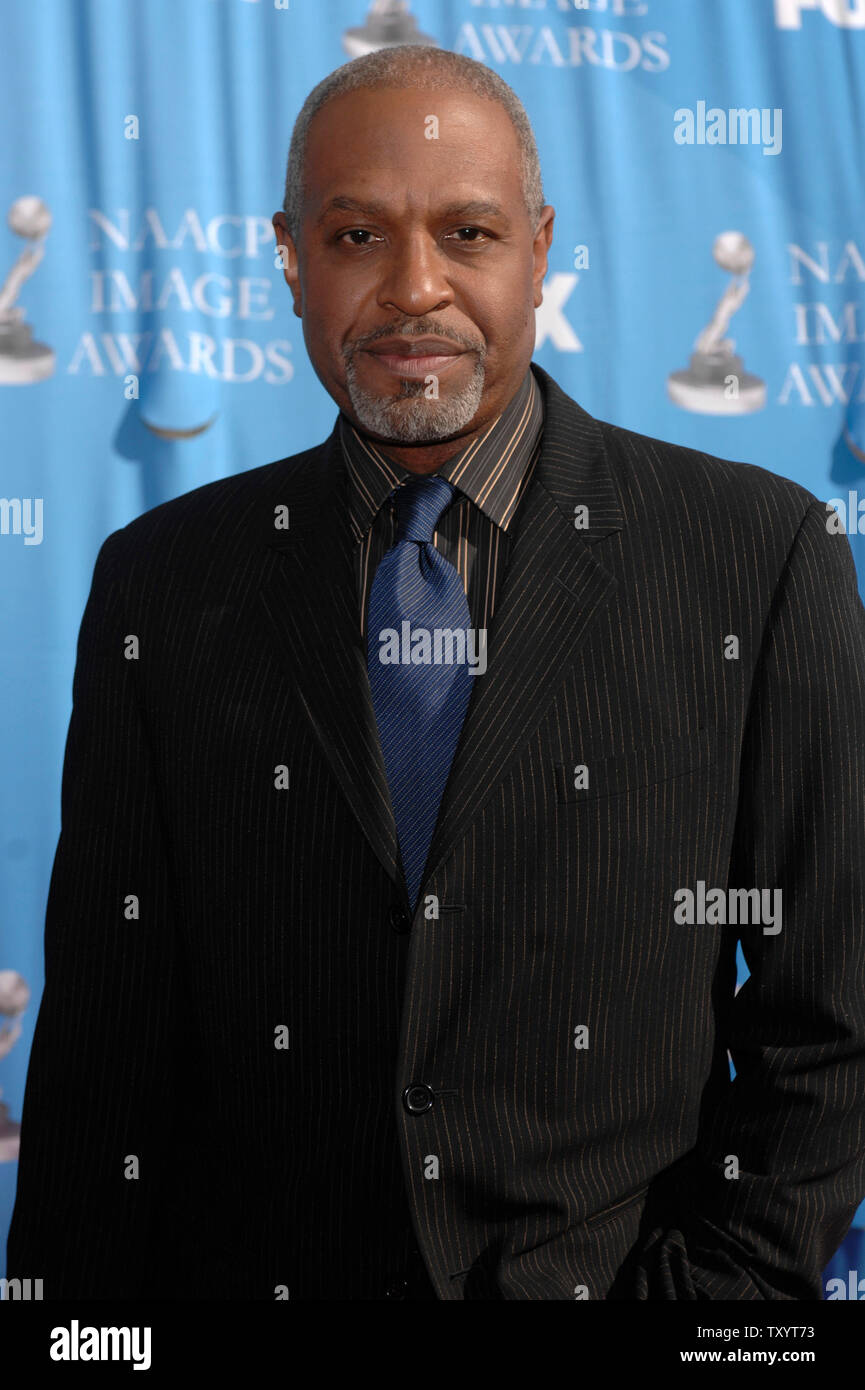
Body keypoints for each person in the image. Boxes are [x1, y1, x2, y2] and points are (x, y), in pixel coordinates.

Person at [7, 44, 865, 1302]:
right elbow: (104, 1051)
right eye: (356, 236)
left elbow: (829, 1020)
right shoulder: (163, 580)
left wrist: (705, 1308)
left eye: (467, 232)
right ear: (288, 255)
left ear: (539, 247)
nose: (415, 290)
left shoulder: (757, 553)